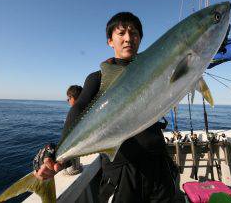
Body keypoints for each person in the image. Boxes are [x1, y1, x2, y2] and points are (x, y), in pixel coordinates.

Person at [33, 12, 177, 202]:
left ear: (140, 39)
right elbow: (78, 109)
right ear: (110, 41)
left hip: (159, 165)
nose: (128, 38)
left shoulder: (155, 67)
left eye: (134, 33)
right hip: (122, 171)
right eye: (121, 33)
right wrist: (59, 153)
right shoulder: (98, 78)